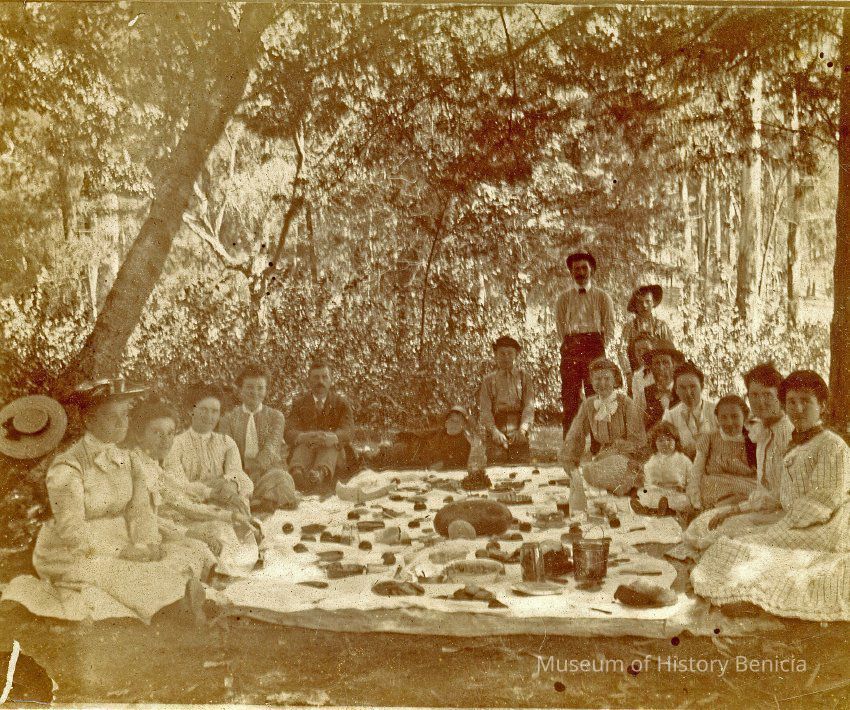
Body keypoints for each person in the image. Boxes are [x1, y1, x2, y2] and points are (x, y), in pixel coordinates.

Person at [12, 380, 209, 622]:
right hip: (70, 553)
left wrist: (147, 544)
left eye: (124, 414)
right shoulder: (68, 466)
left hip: (122, 542)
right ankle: (178, 605)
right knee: (133, 575)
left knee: (186, 552)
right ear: (89, 420)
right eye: (111, 416)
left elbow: (140, 512)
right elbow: (72, 531)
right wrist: (123, 551)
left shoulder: (129, 460)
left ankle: (182, 600)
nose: (121, 422)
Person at [691, 371, 850, 621]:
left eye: (806, 401)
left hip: (825, 528)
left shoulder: (832, 445)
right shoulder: (797, 445)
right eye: (792, 402)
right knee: (733, 540)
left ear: (822, 406)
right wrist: (742, 512)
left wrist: (777, 528)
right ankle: (742, 592)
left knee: (743, 545)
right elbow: (779, 495)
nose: (797, 408)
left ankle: (752, 595)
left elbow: (820, 503)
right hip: (798, 521)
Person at [129, 400, 258, 577]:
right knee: (205, 543)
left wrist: (230, 515)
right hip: (150, 535)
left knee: (220, 529)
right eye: (157, 433)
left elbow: (180, 499)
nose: (166, 440)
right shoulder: (136, 466)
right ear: (139, 435)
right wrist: (190, 533)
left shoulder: (152, 464)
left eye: (170, 433)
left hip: (169, 526)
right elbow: (149, 519)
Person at [684, 363, 794, 549]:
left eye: (767, 395)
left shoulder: (787, 434)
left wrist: (737, 510)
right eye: (754, 395)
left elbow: (781, 496)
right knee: (700, 526)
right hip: (762, 507)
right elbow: (763, 489)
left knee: (715, 539)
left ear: (780, 397)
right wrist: (735, 510)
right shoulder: (763, 431)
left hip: (782, 514)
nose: (760, 402)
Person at [164, 383, 254, 518]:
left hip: (226, 502)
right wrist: (211, 491)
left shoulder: (226, 443)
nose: (209, 416)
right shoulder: (177, 444)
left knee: (235, 496)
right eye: (203, 410)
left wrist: (231, 485)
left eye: (214, 411)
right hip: (191, 507)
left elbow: (237, 474)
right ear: (191, 410)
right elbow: (178, 485)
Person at [218, 364, 298, 511]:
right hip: (239, 472)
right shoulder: (228, 419)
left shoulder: (276, 417)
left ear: (266, 390)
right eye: (249, 387)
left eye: (260, 388)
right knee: (227, 484)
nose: (255, 392)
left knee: (282, 478)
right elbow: (228, 452)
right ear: (240, 390)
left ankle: (254, 499)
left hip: (267, 472)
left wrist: (255, 470)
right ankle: (262, 499)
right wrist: (243, 473)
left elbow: (271, 449)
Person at [561, 358, 645, 494]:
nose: (602, 383)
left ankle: (626, 485)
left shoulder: (626, 404)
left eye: (607, 378)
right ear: (591, 381)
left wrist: (615, 452)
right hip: (604, 458)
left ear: (615, 380)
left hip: (628, 459)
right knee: (587, 472)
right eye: (597, 379)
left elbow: (637, 441)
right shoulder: (589, 405)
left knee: (600, 471)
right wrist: (569, 459)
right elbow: (576, 435)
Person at [555, 251, 615, 434]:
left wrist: (599, 347)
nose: (580, 272)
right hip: (571, 348)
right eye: (576, 269)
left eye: (584, 268)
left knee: (597, 395)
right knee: (570, 398)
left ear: (592, 270)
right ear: (571, 272)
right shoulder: (563, 298)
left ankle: (599, 444)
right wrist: (570, 345)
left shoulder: (603, 297)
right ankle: (570, 444)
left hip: (594, 348)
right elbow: (560, 327)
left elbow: (610, 327)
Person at [284, 358, 355, 492]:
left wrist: (334, 437)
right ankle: (297, 473)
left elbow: (349, 430)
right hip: (307, 452)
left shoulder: (341, 403)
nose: (320, 381)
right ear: (309, 381)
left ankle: (319, 473)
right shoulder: (299, 403)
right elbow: (289, 431)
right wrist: (303, 436)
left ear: (330, 380)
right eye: (316, 377)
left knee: (332, 445)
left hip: (335, 456)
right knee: (303, 444)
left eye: (324, 377)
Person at [687, 395, 755, 510]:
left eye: (735, 416)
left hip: (746, 493)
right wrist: (696, 502)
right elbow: (696, 473)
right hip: (715, 492)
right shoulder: (709, 438)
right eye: (723, 417)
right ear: (717, 419)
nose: (729, 422)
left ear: (744, 416)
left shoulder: (754, 439)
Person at [479, 335, 535, 464]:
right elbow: (485, 410)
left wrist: (522, 430)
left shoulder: (524, 377)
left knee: (521, 465)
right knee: (495, 464)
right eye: (502, 354)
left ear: (516, 355)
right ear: (495, 355)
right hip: (497, 425)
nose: (506, 357)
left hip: (518, 425)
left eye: (510, 353)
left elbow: (529, 406)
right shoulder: (489, 380)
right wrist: (494, 431)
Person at [370, 406, 475, 470]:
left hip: (429, 467)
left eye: (458, 422)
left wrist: (444, 464)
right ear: (446, 423)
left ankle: (376, 459)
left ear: (463, 425)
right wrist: (403, 435)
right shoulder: (439, 432)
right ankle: (374, 457)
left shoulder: (463, 441)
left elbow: (460, 461)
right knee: (396, 448)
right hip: (418, 459)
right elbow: (420, 433)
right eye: (451, 420)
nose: (453, 424)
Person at [662, 361, 717, 459]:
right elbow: (666, 452)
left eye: (693, 386)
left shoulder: (716, 411)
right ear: (676, 390)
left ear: (702, 386)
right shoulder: (670, 416)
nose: (688, 392)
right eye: (682, 388)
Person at [636, 421, 692, 513]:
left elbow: (692, 479)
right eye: (660, 440)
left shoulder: (682, 459)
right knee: (644, 493)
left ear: (676, 441)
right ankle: (648, 509)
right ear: (655, 443)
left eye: (669, 439)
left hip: (675, 493)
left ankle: (663, 510)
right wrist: (651, 485)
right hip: (657, 491)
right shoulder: (653, 459)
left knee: (683, 500)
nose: (665, 443)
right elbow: (648, 480)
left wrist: (685, 488)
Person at [621, 284, 672, 376]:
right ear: (635, 305)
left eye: (648, 301)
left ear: (653, 303)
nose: (644, 305)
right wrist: (628, 372)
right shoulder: (629, 327)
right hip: (635, 372)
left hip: (658, 372)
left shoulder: (661, 326)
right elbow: (622, 351)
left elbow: (669, 350)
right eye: (640, 302)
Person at [641, 340, 683, 431]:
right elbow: (642, 428)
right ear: (651, 368)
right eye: (657, 363)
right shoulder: (645, 393)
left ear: (674, 365)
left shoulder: (683, 390)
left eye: (665, 362)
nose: (661, 368)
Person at [629, 332, 656, 408]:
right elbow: (638, 406)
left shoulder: (662, 370)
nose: (642, 354)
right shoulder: (636, 376)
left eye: (646, 349)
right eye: (638, 351)